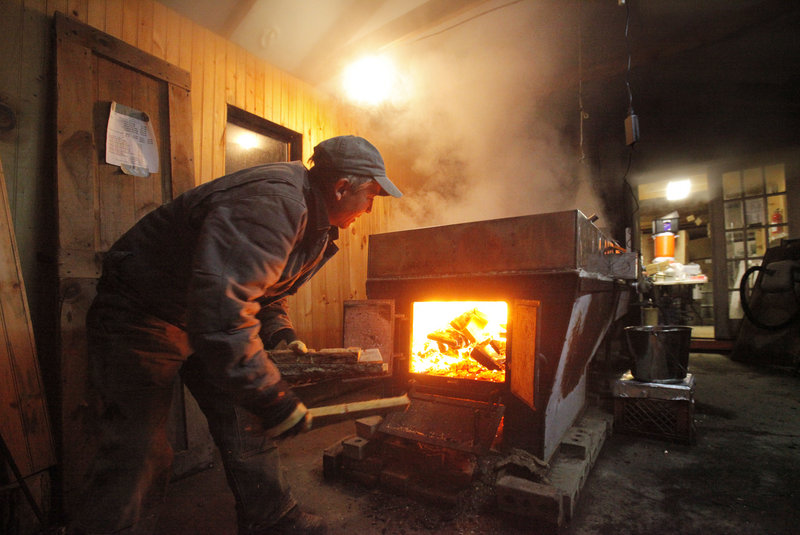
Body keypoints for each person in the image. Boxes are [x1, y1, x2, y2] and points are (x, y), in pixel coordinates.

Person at [68, 135, 402, 535]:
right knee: (137, 450)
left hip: (199, 314)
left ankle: (273, 520)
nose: (369, 207)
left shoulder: (316, 225)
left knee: (242, 421)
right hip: (142, 312)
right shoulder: (274, 202)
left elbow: (262, 293)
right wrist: (275, 398)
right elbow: (223, 311)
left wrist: (281, 335)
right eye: (371, 195)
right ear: (341, 187)